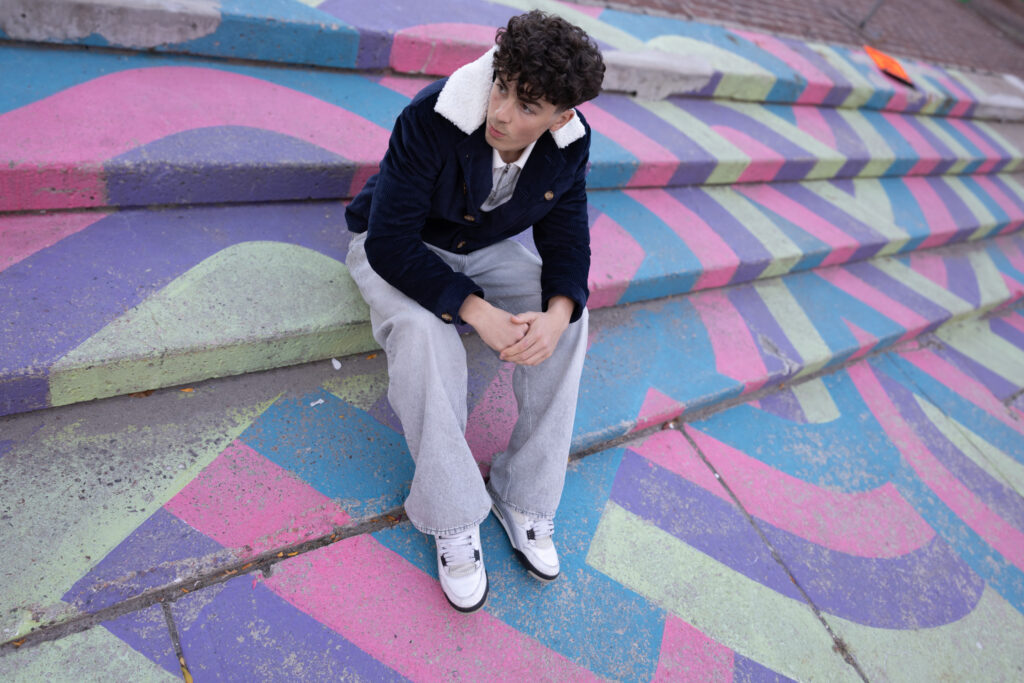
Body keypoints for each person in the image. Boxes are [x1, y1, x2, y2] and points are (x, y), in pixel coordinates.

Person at [344, 10, 605, 613]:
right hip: (396, 248)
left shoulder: (572, 142)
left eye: (527, 106)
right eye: (503, 86)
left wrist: (559, 310)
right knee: (420, 329)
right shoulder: (433, 116)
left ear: (562, 116)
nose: (503, 112)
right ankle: (455, 514)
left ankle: (526, 499)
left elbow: (568, 238)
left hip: (479, 251)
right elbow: (388, 242)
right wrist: (475, 312)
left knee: (570, 317)